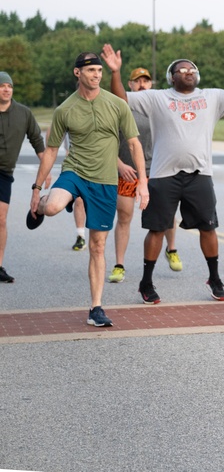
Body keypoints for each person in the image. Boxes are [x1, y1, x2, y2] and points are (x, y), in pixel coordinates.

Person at [102, 41, 224, 304]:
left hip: (199, 174)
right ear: (171, 77)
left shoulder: (211, 97)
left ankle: (214, 277)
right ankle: (147, 282)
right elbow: (122, 98)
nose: (188, 72)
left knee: (208, 228)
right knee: (157, 229)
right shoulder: (157, 98)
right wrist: (115, 72)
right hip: (164, 175)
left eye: (192, 69)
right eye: (182, 70)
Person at [28, 53, 148, 327]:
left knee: (97, 245)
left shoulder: (117, 105)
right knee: (54, 206)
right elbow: (50, 150)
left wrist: (142, 181)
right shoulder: (65, 110)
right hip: (75, 172)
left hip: (105, 182)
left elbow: (133, 144)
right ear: (77, 73)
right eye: (91, 70)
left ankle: (96, 308)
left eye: (99, 70)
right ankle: (44, 204)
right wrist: (37, 188)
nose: (96, 74)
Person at [110, 67, 182, 283]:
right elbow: (107, 142)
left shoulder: (160, 107)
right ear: (130, 85)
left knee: (166, 215)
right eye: (137, 81)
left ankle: (171, 249)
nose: (142, 85)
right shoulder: (120, 107)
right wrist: (119, 164)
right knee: (124, 216)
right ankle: (119, 265)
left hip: (158, 171)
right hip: (128, 172)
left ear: (151, 84)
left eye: (146, 81)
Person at [0, 71, 48, 283]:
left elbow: (37, 141)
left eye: (9, 86)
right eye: (2, 86)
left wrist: (44, 171)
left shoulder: (23, 113)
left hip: (5, 173)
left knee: (1, 219)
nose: (6, 89)